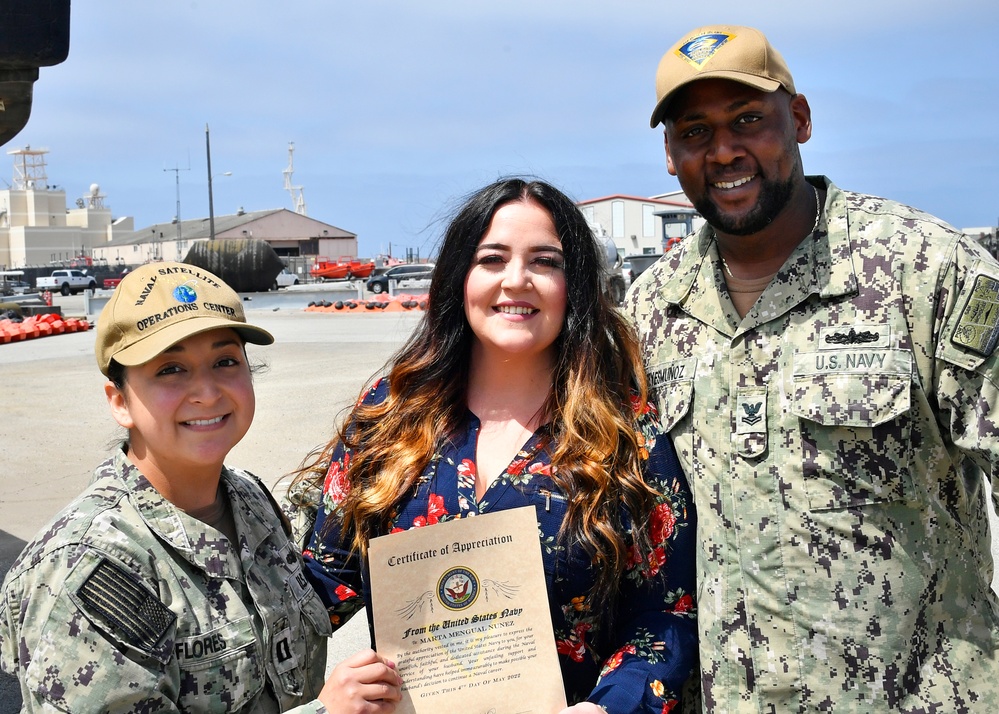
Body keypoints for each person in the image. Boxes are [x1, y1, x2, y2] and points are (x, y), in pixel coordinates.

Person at [627, 23, 999, 712]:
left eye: (747, 120)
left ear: (797, 120)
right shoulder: (650, 309)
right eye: (695, 132)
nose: (724, 151)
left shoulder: (925, 270)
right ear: (670, 155)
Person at [291, 178, 698, 712]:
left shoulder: (627, 432)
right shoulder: (392, 412)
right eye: (492, 259)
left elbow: (665, 615)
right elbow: (321, 583)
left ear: (573, 284)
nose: (517, 280)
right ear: (460, 277)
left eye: (545, 262)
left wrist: (610, 706)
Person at [0, 261, 402, 712]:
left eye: (225, 361)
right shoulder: (87, 568)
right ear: (120, 401)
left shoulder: (249, 500)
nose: (207, 392)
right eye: (171, 369)